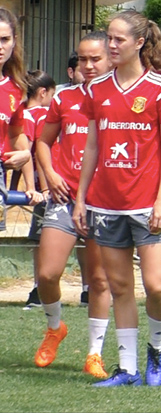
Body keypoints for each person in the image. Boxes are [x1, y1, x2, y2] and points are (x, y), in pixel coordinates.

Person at [72, 10, 161, 388]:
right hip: (105, 205)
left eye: (119, 39)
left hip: (146, 204)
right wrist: (81, 199)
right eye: (110, 38)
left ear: (139, 43)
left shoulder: (160, 88)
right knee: (120, 287)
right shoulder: (96, 88)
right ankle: (128, 368)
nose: (112, 45)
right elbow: (91, 147)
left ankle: (157, 349)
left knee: (155, 286)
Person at [33, 34, 113, 378]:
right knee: (48, 273)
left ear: (111, 59)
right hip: (64, 198)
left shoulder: (120, 99)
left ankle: (94, 353)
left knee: (98, 279)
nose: (88, 66)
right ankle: (55, 327)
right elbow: (42, 142)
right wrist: (50, 174)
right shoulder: (64, 97)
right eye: (82, 60)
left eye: (95, 59)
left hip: (104, 200)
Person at [0, 7, 43, 224]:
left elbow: (17, 134)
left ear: (14, 41)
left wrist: (25, 154)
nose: (0, 46)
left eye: (4, 39)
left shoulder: (15, 89)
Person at [21, 70, 56, 308]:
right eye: (52, 95)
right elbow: (41, 155)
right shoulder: (41, 115)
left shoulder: (20, 114)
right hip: (49, 187)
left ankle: (38, 288)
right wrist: (42, 187)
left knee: (39, 239)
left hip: (41, 185)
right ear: (43, 93)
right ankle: (42, 290)